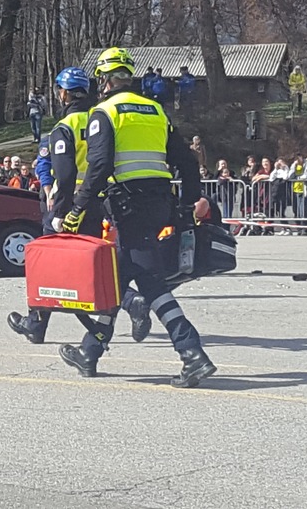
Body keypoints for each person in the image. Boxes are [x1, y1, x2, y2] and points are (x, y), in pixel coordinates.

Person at [55, 48, 215, 388]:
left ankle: (192, 351)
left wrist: (75, 211)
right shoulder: (155, 110)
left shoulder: (105, 112)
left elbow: (98, 168)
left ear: (105, 80)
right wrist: (187, 205)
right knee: (120, 273)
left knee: (150, 280)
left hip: (128, 206)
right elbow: (186, 163)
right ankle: (91, 350)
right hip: (160, 204)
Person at [8, 66, 152, 345]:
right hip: (99, 201)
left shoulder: (66, 126)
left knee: (48, 264)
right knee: (93, 264)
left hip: (71, 202)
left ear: (63, 93)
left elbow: (64, 174)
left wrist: (59, 212)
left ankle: (128, 301)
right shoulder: (101, 116)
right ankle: (37, 324)